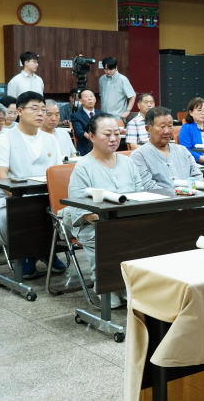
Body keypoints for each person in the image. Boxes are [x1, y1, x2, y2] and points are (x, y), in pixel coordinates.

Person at [68, 113, 143, 309]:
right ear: (92, 136)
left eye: (117, 133)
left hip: (126, 221)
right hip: (95, 225)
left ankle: (127, 282)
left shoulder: (127, 162)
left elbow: (140, 194)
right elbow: (81, 208)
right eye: (107, 134)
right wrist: (111, 225)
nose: (113, 138)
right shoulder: (83, 166)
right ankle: (105, 285)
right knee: (109, 237)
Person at [0, 91, 66, 278]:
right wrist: (21, 199)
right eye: (34, 108)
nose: (40, 113)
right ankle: (25, 254)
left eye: (43, 109)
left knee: (65, 214)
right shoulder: (4, 138)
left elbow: (57, 173)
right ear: (20, 111)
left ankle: (46, 250)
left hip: (45, 196)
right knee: (14, 217)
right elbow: (1, 176)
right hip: (13, 197)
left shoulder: (51, 139)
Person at [132, 107, 202, 190]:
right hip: (161, 198)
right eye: (162, 127)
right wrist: (176, 194)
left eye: (170, 126)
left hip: (190, 196)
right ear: (148, 129)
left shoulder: (182, 150)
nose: (167, 131)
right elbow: (147, 185)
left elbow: (197, 176)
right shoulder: (139, 155)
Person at [179, 97, 204, 181]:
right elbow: (186, 150)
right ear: (191, 112)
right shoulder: (186, 128)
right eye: (199, 110)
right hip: (197, 163)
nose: (203, 113)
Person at [71, 89, 100, 156]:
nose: (89, 98)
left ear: (95, 99)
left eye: (91, 96)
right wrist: (88, 135)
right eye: (86, 96)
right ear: (80, 101)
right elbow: (78, 131)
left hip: (103, 144)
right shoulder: (76, 116)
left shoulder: (102, 114)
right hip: (87, 146)